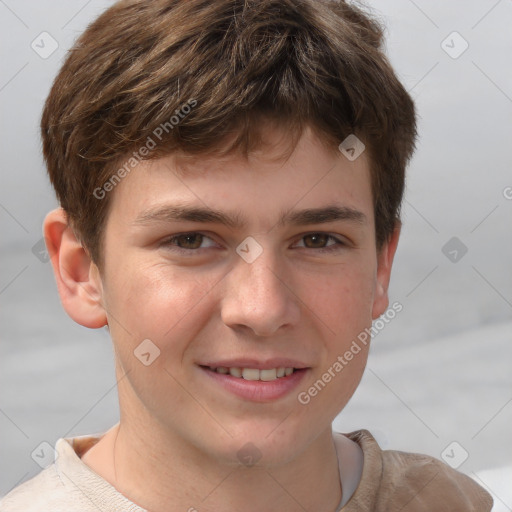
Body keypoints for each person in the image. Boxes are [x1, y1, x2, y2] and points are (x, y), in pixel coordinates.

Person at [0, 0, 493, 510]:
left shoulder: (448, 502)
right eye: (191, 240)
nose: (262, 310)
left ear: (381, 266)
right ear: (80, 271)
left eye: (318, 240)